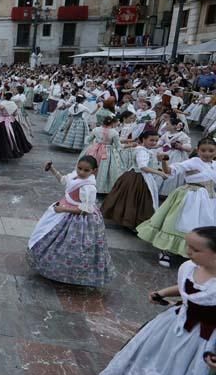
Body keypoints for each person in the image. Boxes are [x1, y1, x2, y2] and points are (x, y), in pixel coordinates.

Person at [99, 227, 216, 375]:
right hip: (175, 324)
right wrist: (163, 293)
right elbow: (185, 285)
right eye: (188, 246)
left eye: (196, 249)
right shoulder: (190, 267)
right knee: (159, 358)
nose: (188, 251)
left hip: (203, 338)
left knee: (185, 368)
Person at [27, 157, 113, 287]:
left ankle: (72, 273)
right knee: (49, 235)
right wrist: (52, 169)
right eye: (79, 168)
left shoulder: (89, 187)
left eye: (86, 170)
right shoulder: (75, 176)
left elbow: (87, 210)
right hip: (66, 209)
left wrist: (63, 209)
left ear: (94, 171)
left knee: (73, 245)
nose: (81, 172)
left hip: (79, 218)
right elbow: (63, 180)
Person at [137, 137, 216, 267]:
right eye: (203, 150)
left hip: (209, 199)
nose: (207, 153)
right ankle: (166, 250)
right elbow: (170, 171)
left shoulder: (214, 165)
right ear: (198, 150)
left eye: (211, 151)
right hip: (190, 197)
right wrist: (164, 162)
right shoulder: (193, 162)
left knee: (203, 225)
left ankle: (193, 251)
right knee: (179, 223)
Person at [101, 130, 167, 230]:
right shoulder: (142, 151)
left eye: (156, 140)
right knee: (137, 200)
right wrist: (160, 173)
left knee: (129, 199)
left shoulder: (143, 150)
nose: (154, 142)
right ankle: (133, 222)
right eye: (151, 140)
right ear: (143, 139)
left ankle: (127, 220)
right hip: (138, 177)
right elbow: (143, 167)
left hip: (134, 176)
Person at [81, 116, 123, 194]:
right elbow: (118, 146)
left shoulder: (96, 130)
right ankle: (101, 187)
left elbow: (88, 140)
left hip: (94, 150)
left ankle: (86, 183)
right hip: (107, 152)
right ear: (112, 123)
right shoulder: (114, 132)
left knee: (92, 165)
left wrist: (95, 143)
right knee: (104, 169)